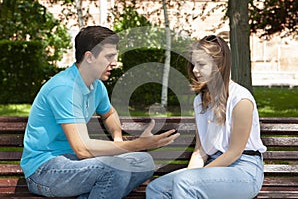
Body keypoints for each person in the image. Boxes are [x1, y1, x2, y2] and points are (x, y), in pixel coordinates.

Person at [20, 26, 180, 199]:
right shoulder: (65, 88)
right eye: (109, 56)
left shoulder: (96, 86)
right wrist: (138, 144)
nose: (114, 62)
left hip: (77, 164)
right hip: (45, 170)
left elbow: (109, 114)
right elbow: (82, 149)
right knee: (116, 169)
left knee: (144, 162)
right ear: (89, 57)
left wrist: (117, 137)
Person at [146, 35, 267, 199]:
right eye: (193, 64)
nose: (195, 70)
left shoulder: (241, 100)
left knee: (185, 183)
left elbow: (234, 153)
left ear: (219, 66)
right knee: (156, 188)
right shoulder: (199, 102)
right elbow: (200, 151)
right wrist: (191, 176)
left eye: (201, 64)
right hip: (214, 165)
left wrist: (192, 178)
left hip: (244, 170)